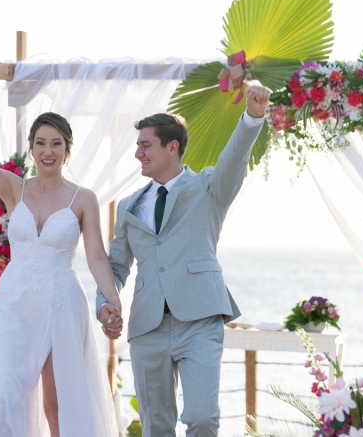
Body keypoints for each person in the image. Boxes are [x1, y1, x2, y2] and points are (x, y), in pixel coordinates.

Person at [0, 80, 121, 437]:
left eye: (56, 144)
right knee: (1, 395)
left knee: (57, 405)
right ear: (31, 148)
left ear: (67, 149)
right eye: (41, 143)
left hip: (61, 303)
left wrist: (113, 301)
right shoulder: (14, 188)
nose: (48, 151)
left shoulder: (83, 198)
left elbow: (96, 257)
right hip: (13, 302)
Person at [96, 84, 271, 437]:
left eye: (145, 145)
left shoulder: (209, 188)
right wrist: (105, 306)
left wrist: (253, 117)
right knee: (156, 426)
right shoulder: (129, 207)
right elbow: (115, 267)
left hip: (200, 321)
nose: (137, 154)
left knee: (204, 417)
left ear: (171, 147)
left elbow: (234, 159)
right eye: (137, 146)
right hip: (148, 327)